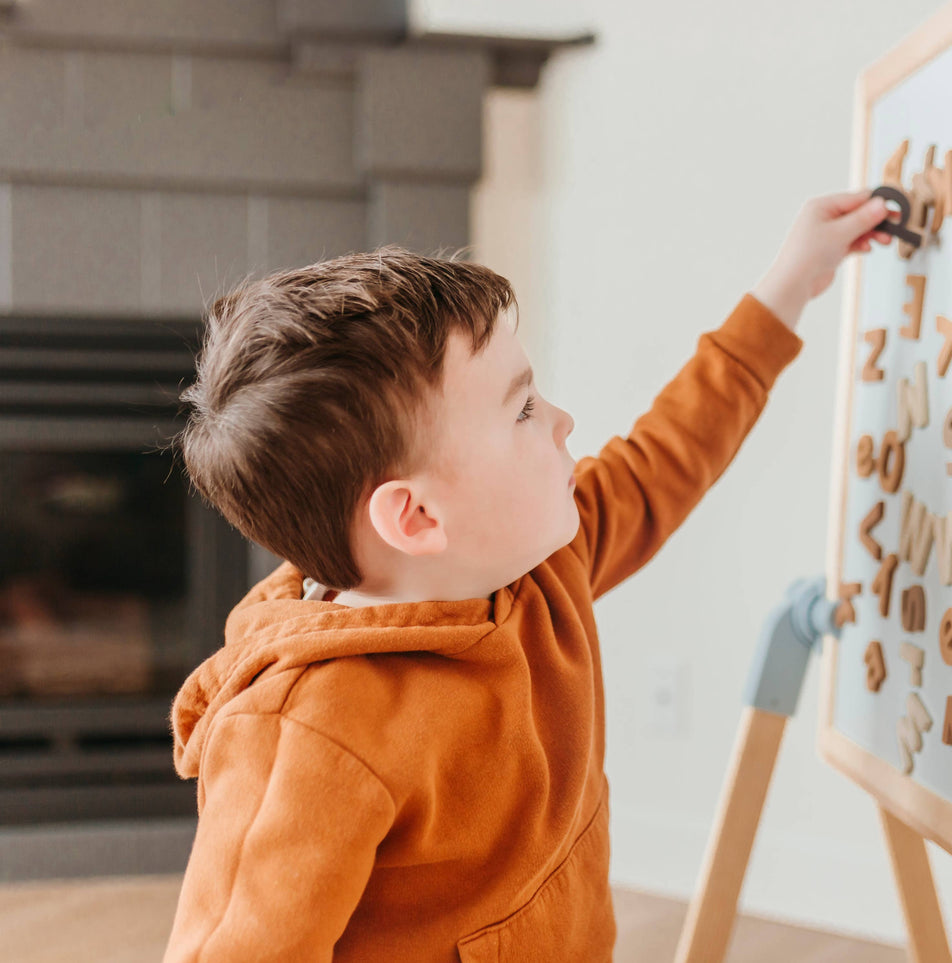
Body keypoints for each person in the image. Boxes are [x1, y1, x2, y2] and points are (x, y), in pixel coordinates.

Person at [163, 190, 893, 961]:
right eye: (522, 410)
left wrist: (792, 282)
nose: (562, 419)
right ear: (415, 518)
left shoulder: (536, 568)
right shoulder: (306, 732)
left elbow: (667, 457)